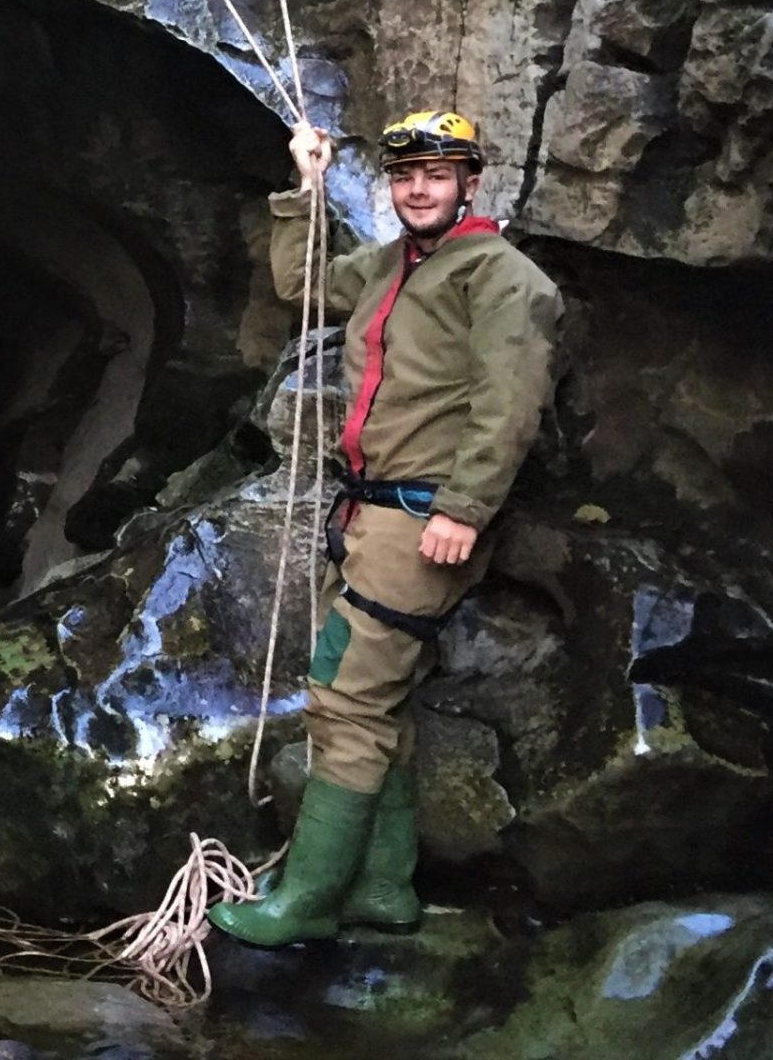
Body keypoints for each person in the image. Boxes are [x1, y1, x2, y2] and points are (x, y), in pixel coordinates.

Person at [210, 109, 562, 947]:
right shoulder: (391, 266)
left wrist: (462, 509)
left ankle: (308, 903)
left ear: (469, 184)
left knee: (346, 702)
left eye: (436, 175)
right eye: (405, 176)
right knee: (383, 701)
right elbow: (305, 287)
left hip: (422, 522)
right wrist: (309, 185)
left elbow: (509, 406)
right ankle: (383, 889)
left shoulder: (505, 279)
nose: (417, 188)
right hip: (367, 514)